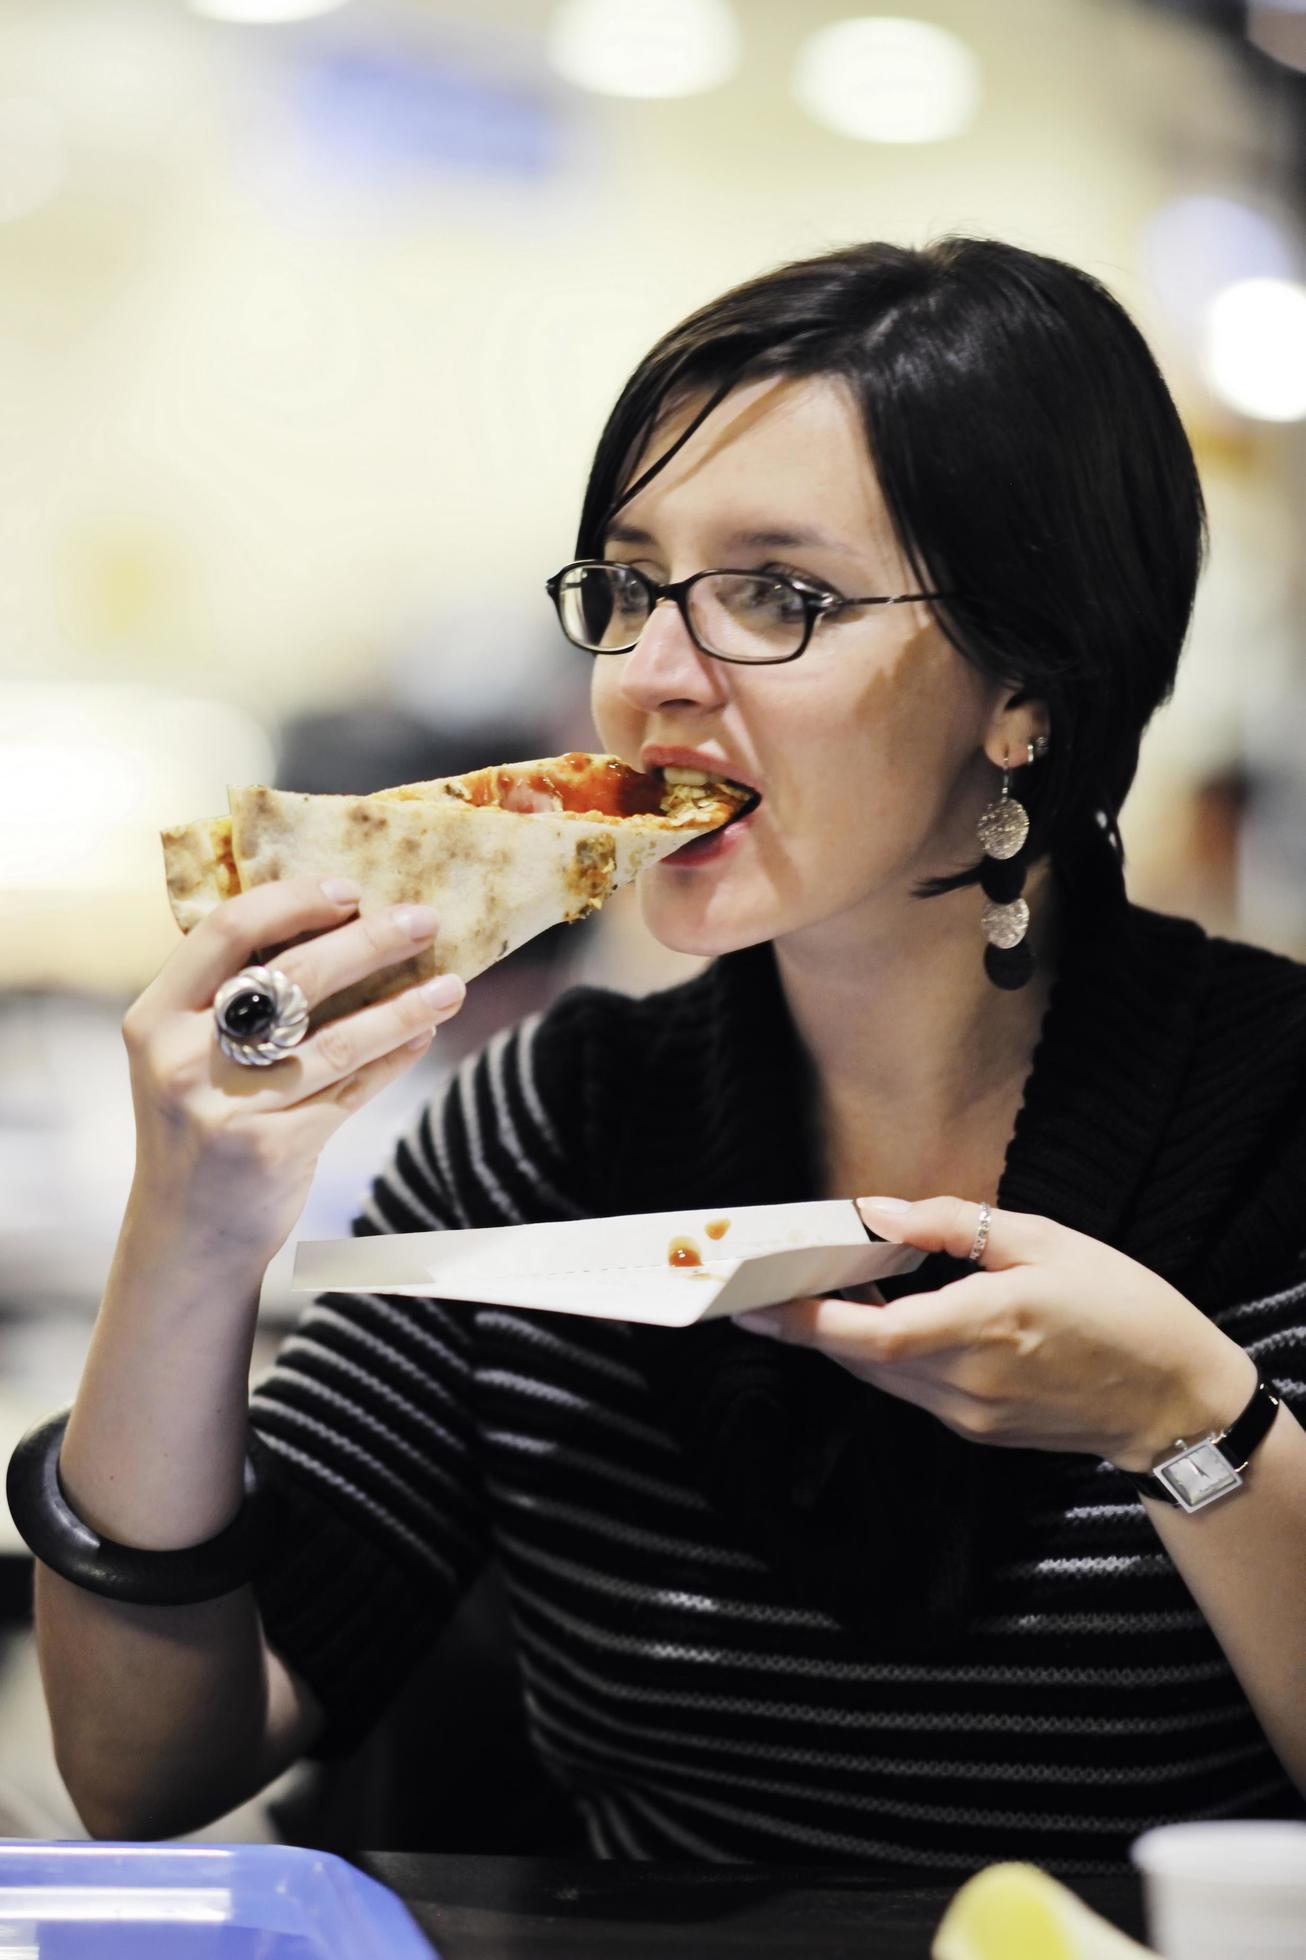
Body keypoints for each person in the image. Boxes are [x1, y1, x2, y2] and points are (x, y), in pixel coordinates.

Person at [17, 238, 1306, 1875]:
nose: (647, 682)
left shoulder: (1276, 1126)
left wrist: (1190, 1422)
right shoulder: (548, 1129)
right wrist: (187, 1233)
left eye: (779, 595)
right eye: (627, 589)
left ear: (1028, 690)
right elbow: (145, 1771)